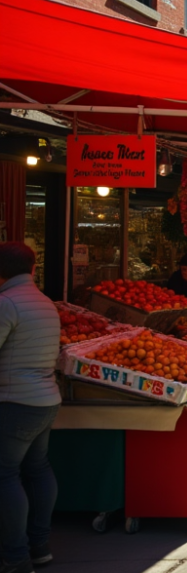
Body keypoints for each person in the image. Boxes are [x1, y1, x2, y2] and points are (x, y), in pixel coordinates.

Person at [0, 243, 61, 573]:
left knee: (5, 474)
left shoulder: (7, 303)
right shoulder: (45, 303)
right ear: (33, 269)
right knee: (38, 469)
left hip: (16, 402)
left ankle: (15, 556)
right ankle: (40, 545)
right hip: (46, 400)